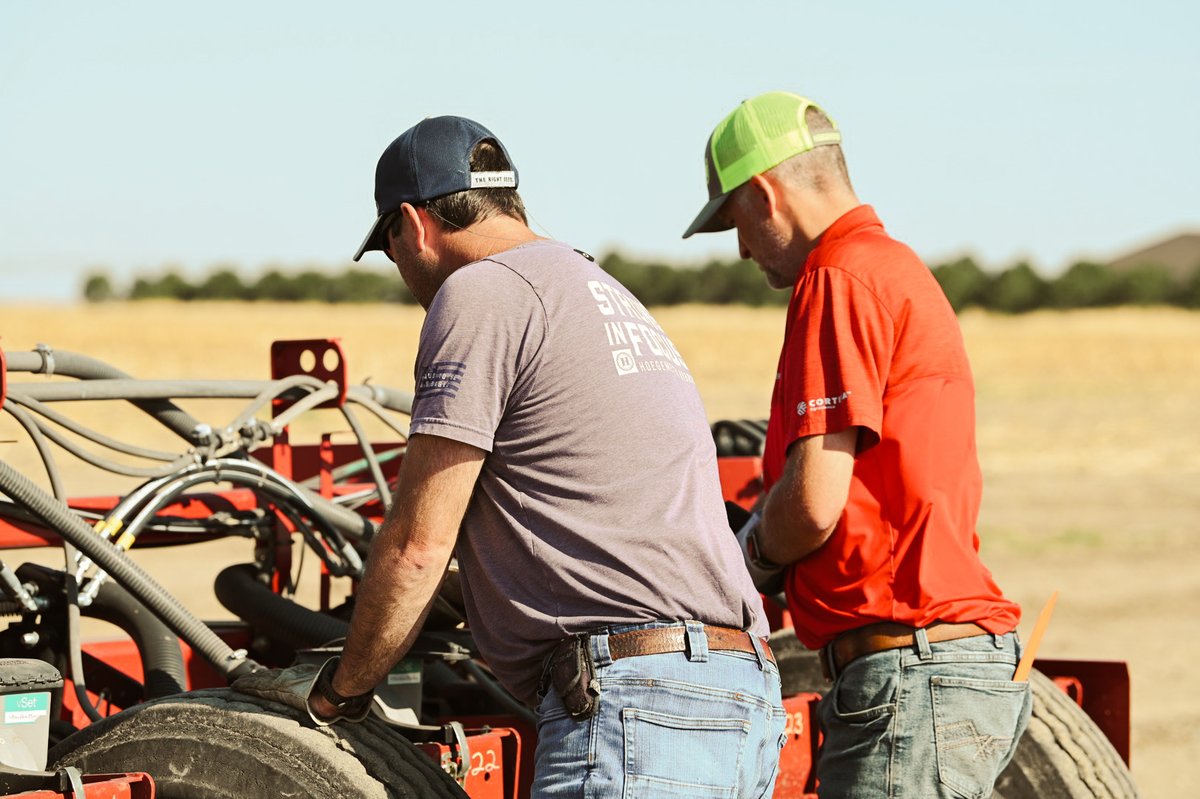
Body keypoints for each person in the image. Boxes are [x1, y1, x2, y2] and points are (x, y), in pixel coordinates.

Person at [240, 115, 785, 798]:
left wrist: (338, 692)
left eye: (390, 249)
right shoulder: (598, 288)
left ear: (411, 225)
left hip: (636, 707)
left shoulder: (480, 290)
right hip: (737, 696)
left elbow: (417, 546)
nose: (402, 271)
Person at [682, 91, 1032, 798]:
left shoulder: (836, 277)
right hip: (944, 665)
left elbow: (815, 502)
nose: (742, 248)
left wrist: (749, 555)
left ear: (765, 195)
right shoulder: (891, 267)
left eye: (736, 223)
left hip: (909, 670)